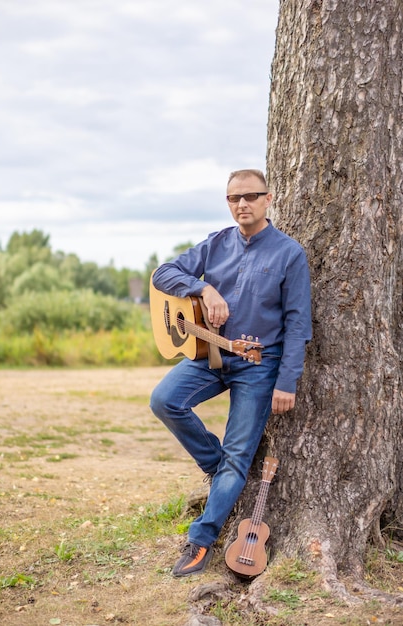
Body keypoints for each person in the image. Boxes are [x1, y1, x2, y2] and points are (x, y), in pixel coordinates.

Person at [150, 168, 312, 577]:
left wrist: (286, 382)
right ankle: (217, 466)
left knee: (240, 455)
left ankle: (201, 540)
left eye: (251, 196)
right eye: (234, 198)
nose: (242, 204)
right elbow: (163, 273)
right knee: (165, 401)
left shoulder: (289, 253)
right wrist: (203, 289)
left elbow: (298, 324)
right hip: (210, 356)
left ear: (268, 199)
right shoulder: (216, 243)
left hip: (259, 368)